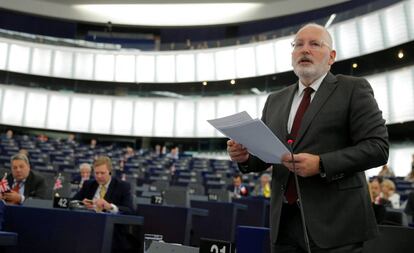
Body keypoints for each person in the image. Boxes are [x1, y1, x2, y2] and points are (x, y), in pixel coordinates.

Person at [227, 23, 389, 252]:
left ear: (331, 56)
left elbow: (378, 147)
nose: (305, 50)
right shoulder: (275, 100)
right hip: (284, 223)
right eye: (299, 45)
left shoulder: (353, 89)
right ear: (292, 55)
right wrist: (244, 157)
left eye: (315, 44)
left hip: (336, 225)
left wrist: (321, 164)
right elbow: (267, 156)